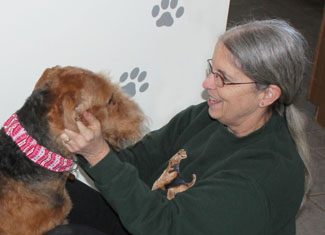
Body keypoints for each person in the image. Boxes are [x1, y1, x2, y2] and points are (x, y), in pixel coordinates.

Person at [58, 19, 311, 235]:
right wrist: (85, 143)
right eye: (213, 70)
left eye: (223, 78)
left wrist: (98, 154)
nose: (207, 83)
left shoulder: (257, 180)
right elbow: (137, 161)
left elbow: (165, 226)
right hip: (149, 216)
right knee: (51, 195)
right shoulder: (211, 115)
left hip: (160, 226)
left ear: (267, 95)